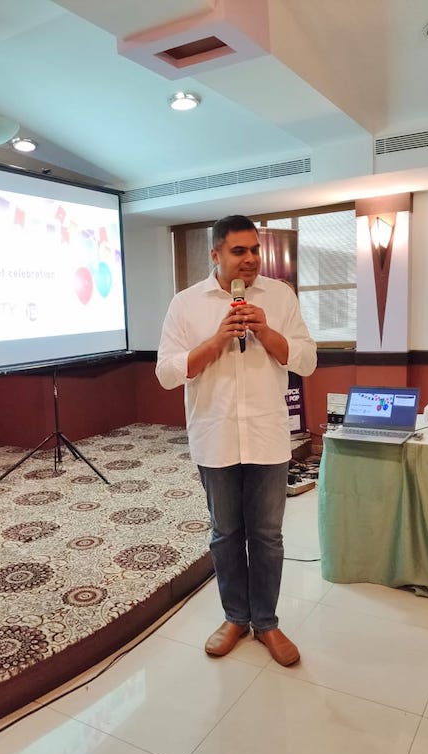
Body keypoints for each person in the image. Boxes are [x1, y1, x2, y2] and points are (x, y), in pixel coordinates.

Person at [155, 214, 317, 667]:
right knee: (226, 534)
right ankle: (234, 618)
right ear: (216, 254)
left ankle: (266, 622)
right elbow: (166, 373)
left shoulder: (280, 296)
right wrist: (214, 342)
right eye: (238, 251)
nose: (250, 260)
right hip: (215, 434)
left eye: (254, 250)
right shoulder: (186, 304)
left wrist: (265, 331)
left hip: (267, 435)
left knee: (267, 535)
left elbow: (306, 361)